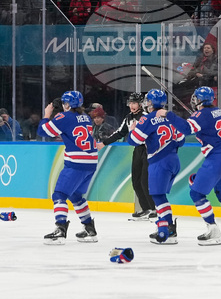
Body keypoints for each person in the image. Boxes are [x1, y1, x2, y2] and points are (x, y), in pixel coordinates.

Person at [179, 87, 221, 246]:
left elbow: (186, 129)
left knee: (196, 193)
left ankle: (212, 229)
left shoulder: (201, 115)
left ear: (200, 100)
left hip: (217, 159)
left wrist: (170, 116)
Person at [38, 91, 99, 244]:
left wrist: (47, 114)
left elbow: (43, 131)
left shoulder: (63, 117)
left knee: (59, 195)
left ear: (67, 104)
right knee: (75, 196)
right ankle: (90, 230)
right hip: (91, 162)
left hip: (76, 163)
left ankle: (60, 229)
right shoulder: (86, 117)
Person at [129, 90, 189, 244]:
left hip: (159, 161)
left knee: (157, 196)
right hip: (174, 160)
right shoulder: (171, 117)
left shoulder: (147, 118)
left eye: (147, 101)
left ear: (150, 103)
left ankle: (166, 230)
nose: (146, 104)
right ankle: (166, 227)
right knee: (160, 195)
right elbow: (181, 140)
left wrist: (133, 129)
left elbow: (134, 140)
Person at [99, 92, 155, 220]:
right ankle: (146, 209)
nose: (131, 105)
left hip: (148, 149)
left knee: (145, 181)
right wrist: (104, 143)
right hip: (137, 150)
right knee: (136, 181)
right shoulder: (129, 118)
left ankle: (154, 209)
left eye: (134, 103)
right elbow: (119, 133)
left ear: (141, 104)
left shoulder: (146, 116)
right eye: (130, 103)